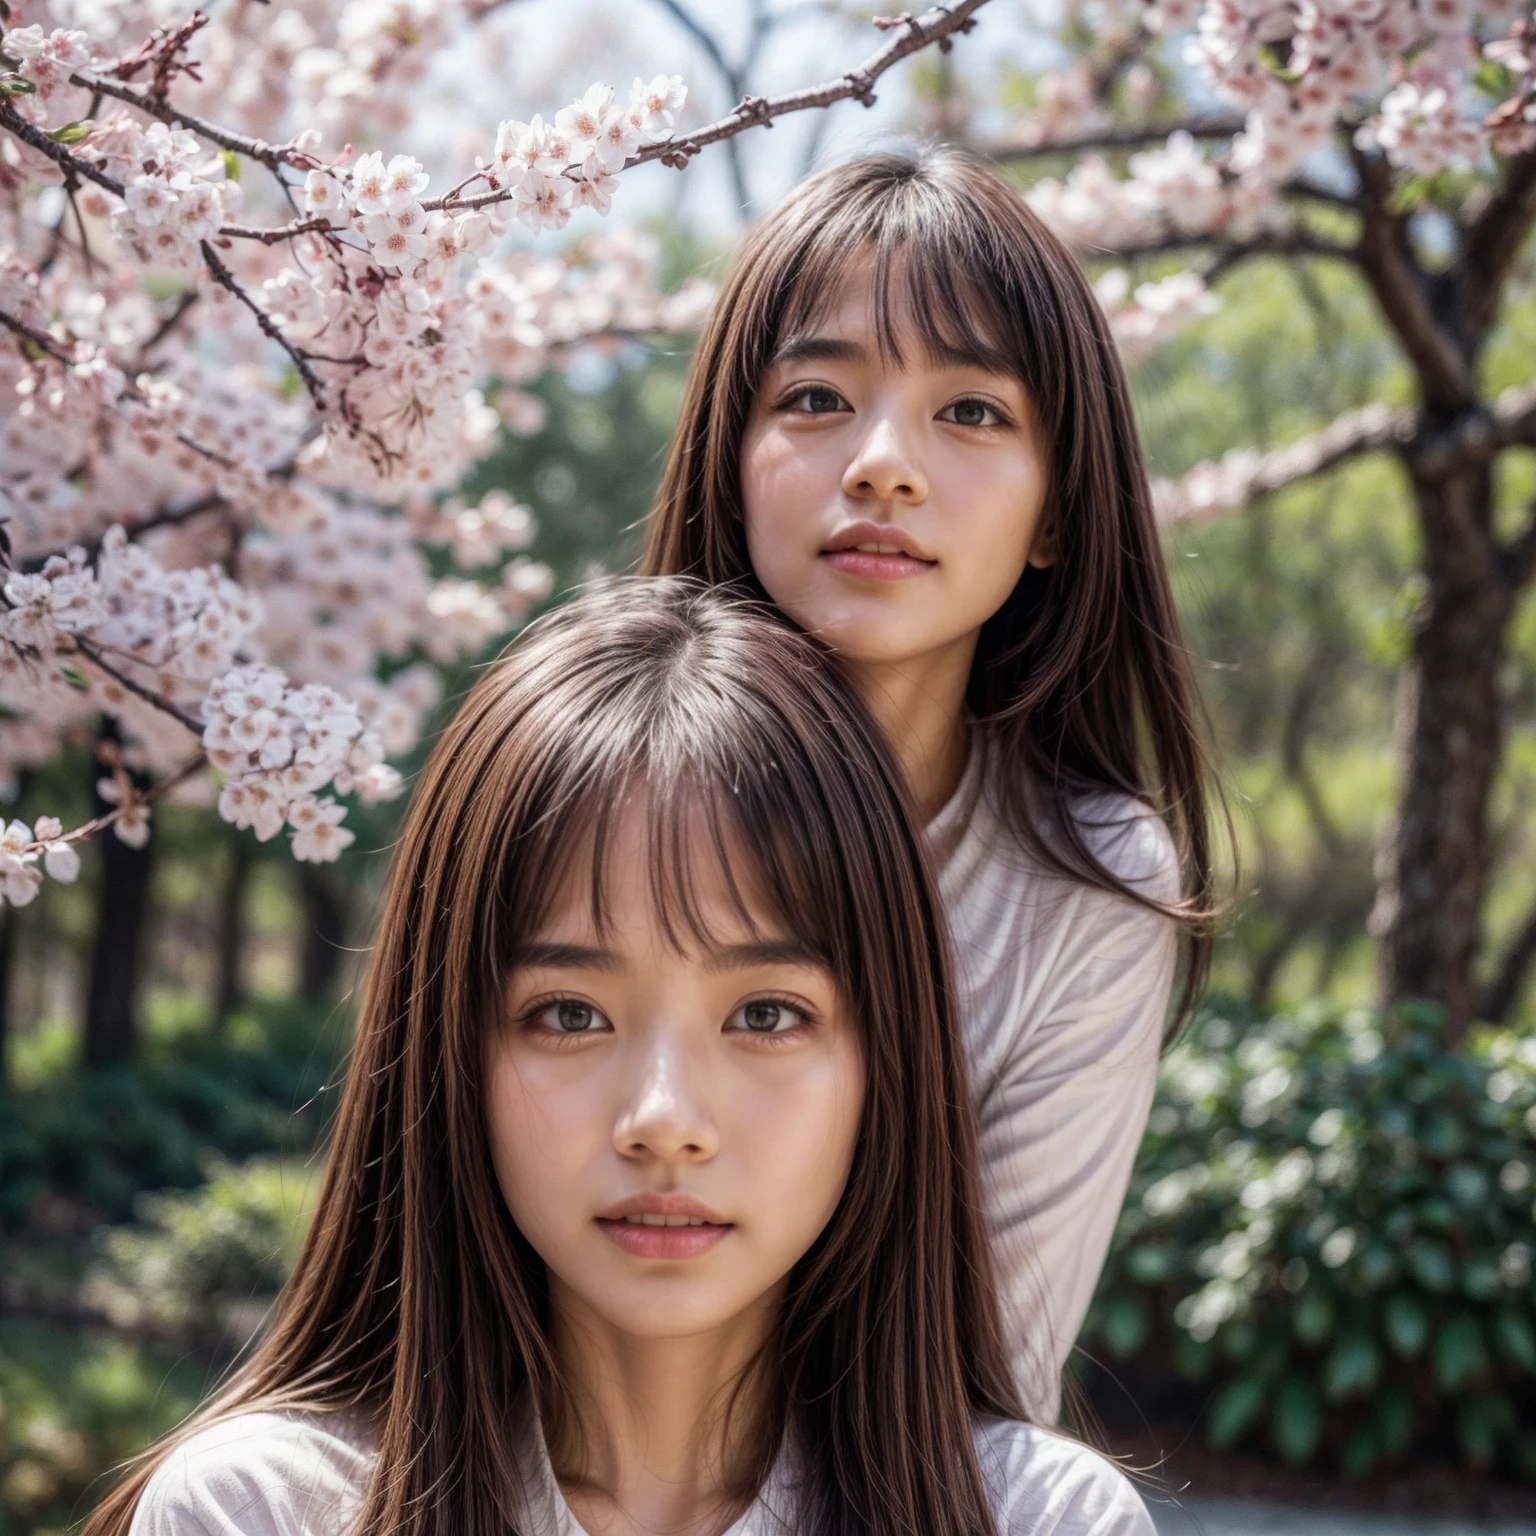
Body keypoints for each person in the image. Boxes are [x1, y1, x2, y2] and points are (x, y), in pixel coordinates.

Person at [94, 580, 1155, 1536]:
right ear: (447, 1054)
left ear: (889, 1062)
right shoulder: (265, 1510)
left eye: (768, 1015)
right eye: (568, 1015)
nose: (663, 1117)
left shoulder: (1039, 1519)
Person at [642, 149, 1220, 1420]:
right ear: (729, 459)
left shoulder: (1087, 880)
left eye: (972, 412)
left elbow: (984, 1399)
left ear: (1059, 511)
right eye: (813, 398)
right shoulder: (587, 801)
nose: (883, 465)